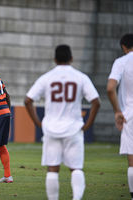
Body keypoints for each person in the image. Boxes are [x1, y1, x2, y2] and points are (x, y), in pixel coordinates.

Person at [24, 45, 100, 200]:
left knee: (52, 169)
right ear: (71, 59)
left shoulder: (47, 77)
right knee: (76, 168)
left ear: (55, 59)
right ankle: (76, 198)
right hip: (73, 128)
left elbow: (27, 100)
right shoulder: (81, 77)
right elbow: (96, 102)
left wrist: (39, 123)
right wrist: (88, 124)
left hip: (51, 128)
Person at [106, 33, 133, 200]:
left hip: (130, 115)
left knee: (132, 161)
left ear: (123, 47)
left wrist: (117, 111)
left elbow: (110, 88)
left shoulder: (122, 62)